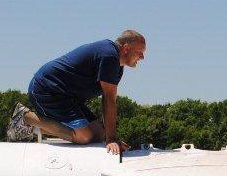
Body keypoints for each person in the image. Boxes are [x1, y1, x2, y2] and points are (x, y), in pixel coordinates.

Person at [8, 30, 146, 154]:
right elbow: (109, 100)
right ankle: (25, 117)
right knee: (84, 136)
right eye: (140, 51)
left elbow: (108, 99)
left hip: (67, 97)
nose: (142, 57)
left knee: (98, 134)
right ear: (126, 48)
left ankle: (32, 128)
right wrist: (112, 140)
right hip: (47, 89)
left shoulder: (116, 63)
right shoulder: (109, 56)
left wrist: (109, 137)